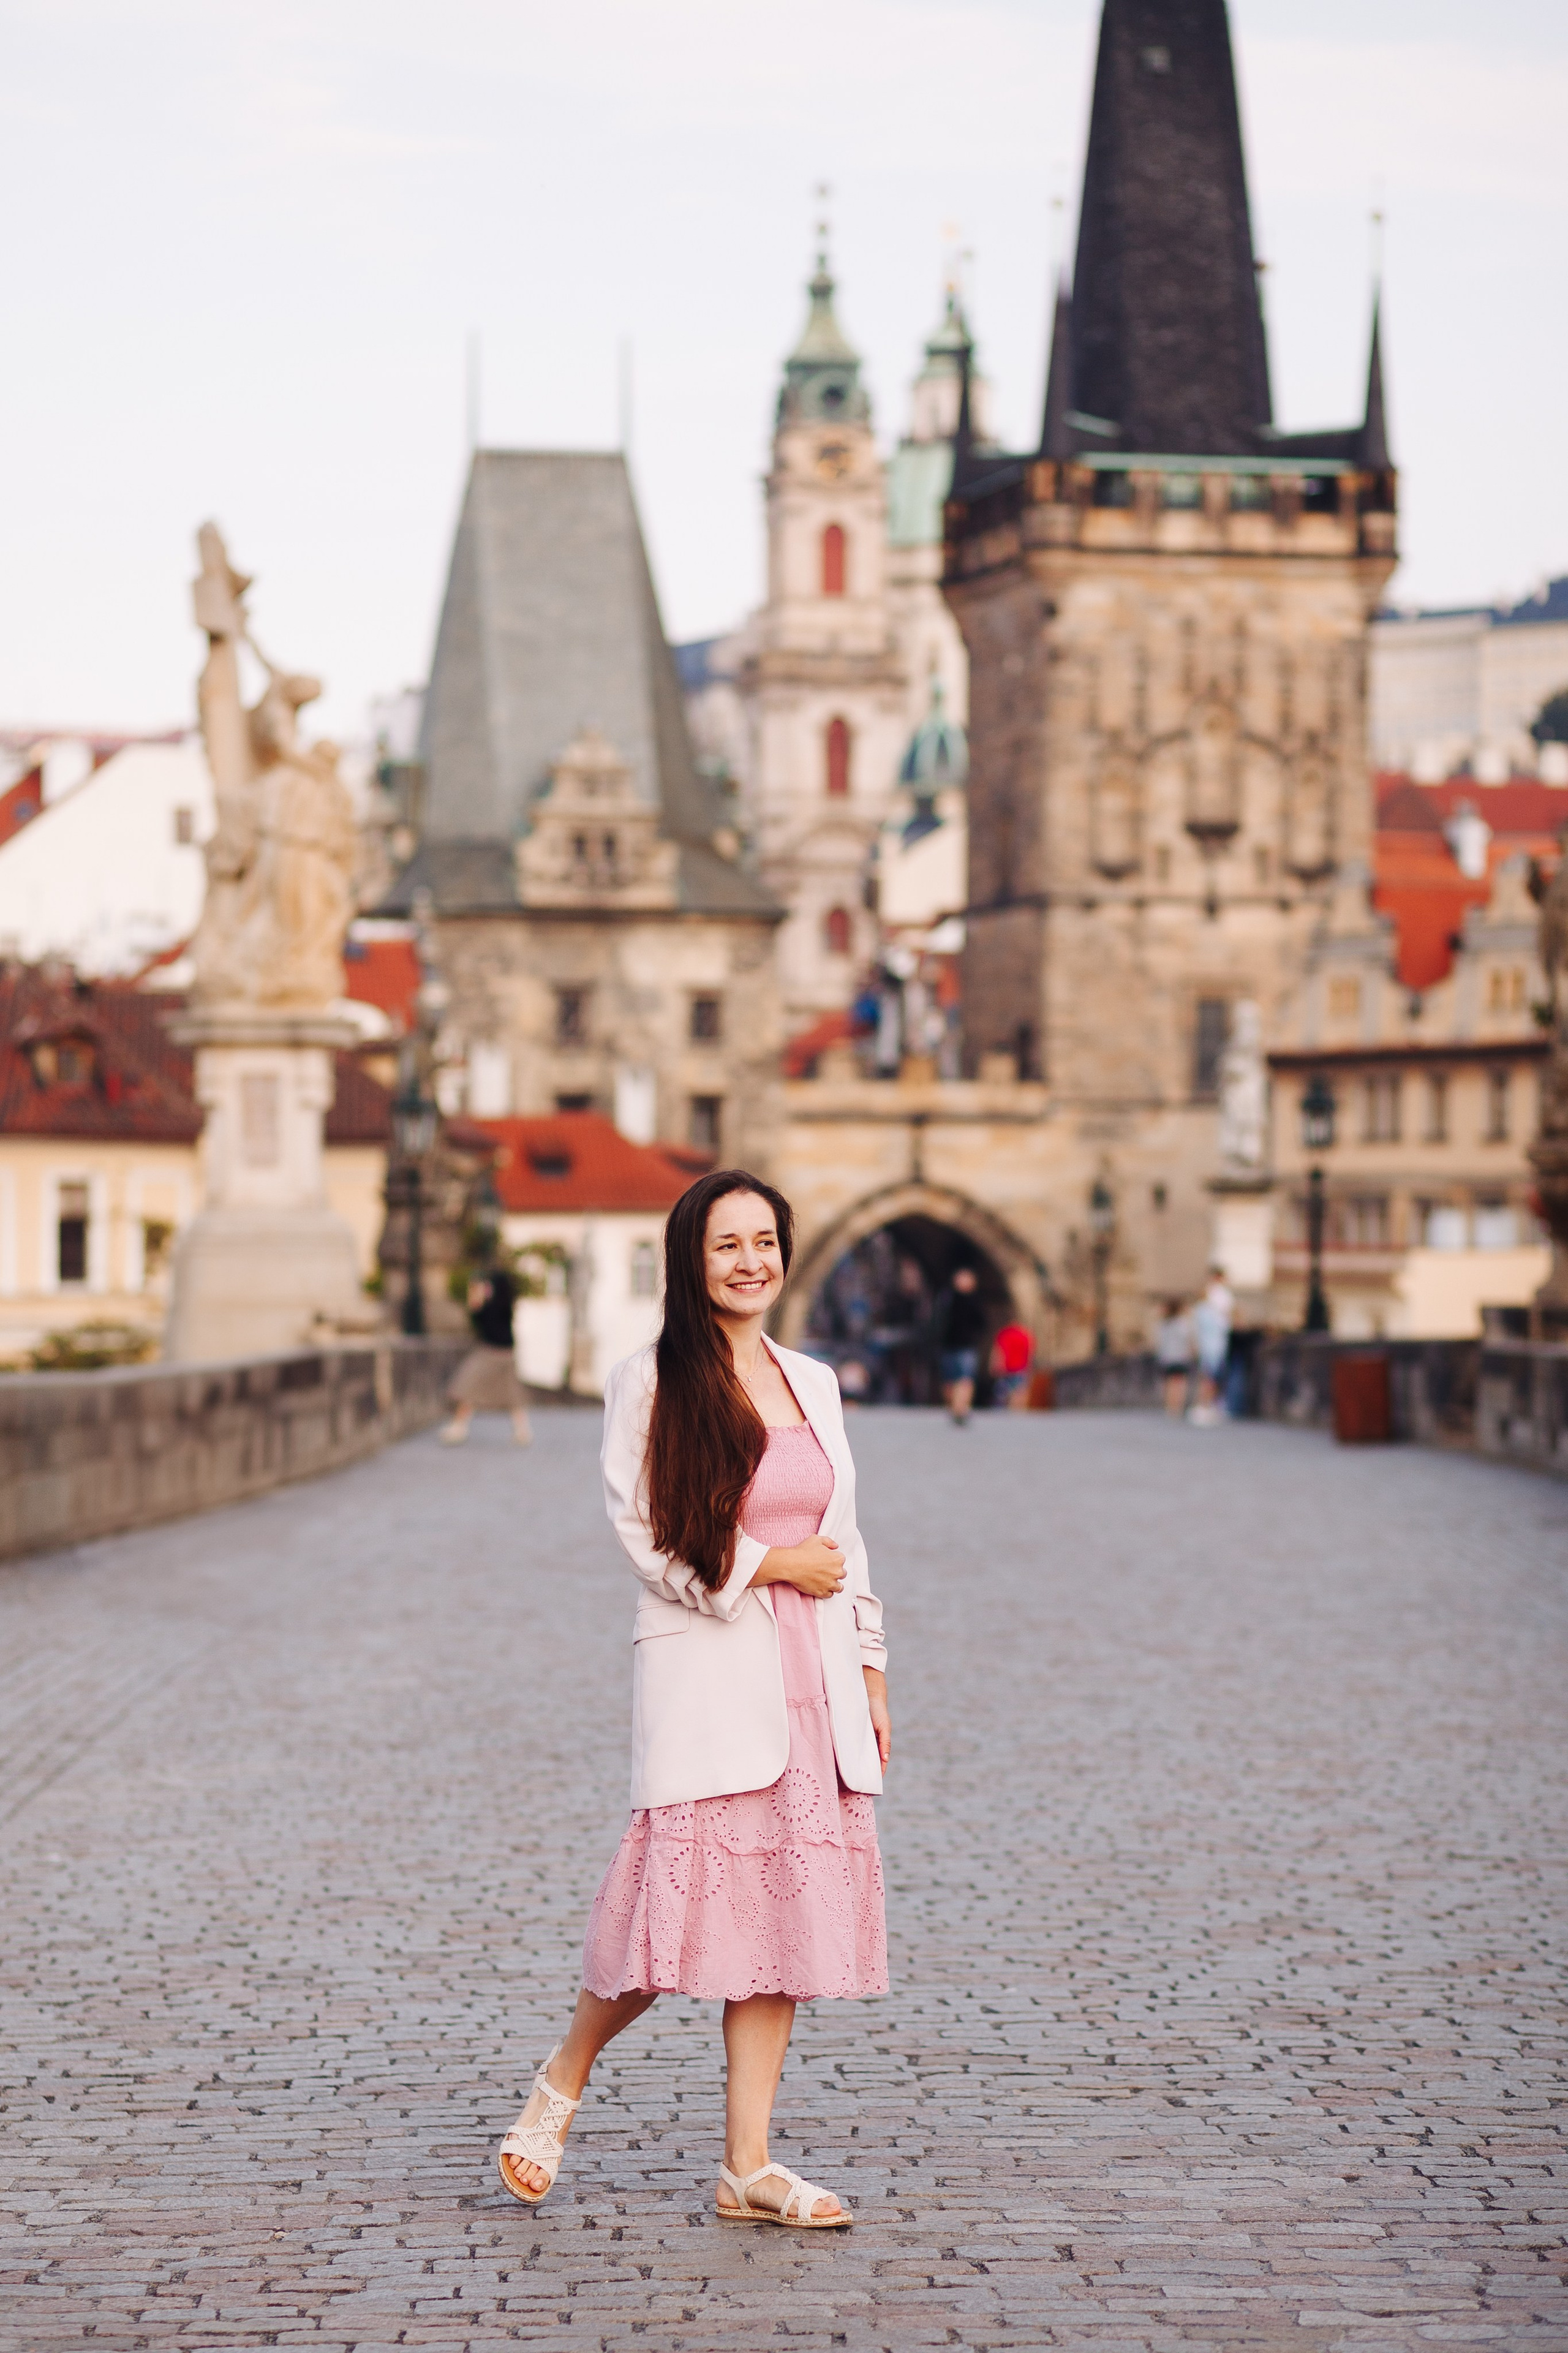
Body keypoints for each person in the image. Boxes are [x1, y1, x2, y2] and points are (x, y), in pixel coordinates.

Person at [494, 1169, 891, 2228]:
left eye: (766, 1240)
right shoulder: (652, 1380)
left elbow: (845, 1545)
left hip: (815, 1681)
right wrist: (767, 1567)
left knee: (782, 1933)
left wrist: (871, 1665)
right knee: (667, 1919)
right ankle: (563, 2075)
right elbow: (650, 1531)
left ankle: (747, 2166)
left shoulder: (814, 1378)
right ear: (692, 1260)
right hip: (714, 1675)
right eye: (728, 1245)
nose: (751, 1261)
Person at [440, 1261, 532, 1446]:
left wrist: (476, 1297)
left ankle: (459, 1427)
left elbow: (479, 1321)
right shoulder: (506, 1306)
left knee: (468, 1384)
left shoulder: (495, 1307)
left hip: (492, 1352)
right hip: (506, 1352)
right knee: (511, 1393)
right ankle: (523, 1431)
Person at [935, 1263, 987, 1423]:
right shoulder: (947, 1298)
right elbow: (937, 1321)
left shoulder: (975, 1300)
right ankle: (954, 1408)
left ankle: (961, 1410)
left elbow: (982, 1323)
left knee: (966, 1378)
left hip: (967, 1346)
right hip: (948, 1345)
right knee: (949, 1383)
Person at [1188, 1268, 1234, 1427]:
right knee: (1211, 1377)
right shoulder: (1216, 1300)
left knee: (1209, 1376)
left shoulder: (1203, 1307)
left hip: (1211, 1345)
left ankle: (1206, 1406)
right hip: (1214, 1345)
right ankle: (1205, 1406)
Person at [1155, 1298, 1194, 1418]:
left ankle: (1170, 1407)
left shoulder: (1164, 1324)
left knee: (1170, 1383)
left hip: (1167, 1358)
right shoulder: (1181, 1323)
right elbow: (1187, 1338)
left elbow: (1159, 1341)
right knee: (1180, 1383)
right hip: (1179, 1357)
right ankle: (1178, 1407)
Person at [990, 1318, 1033, 1409]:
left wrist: (994, 1366)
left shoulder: (1003, 1333)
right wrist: (1029, 1370)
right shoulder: (1025, 1335)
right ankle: (1017, 1415)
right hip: (1021, 1370)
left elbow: (999, 1352)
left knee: (1002, 1397)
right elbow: (1029, 1354)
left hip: (1006, 1371)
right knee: (1019, 1394)